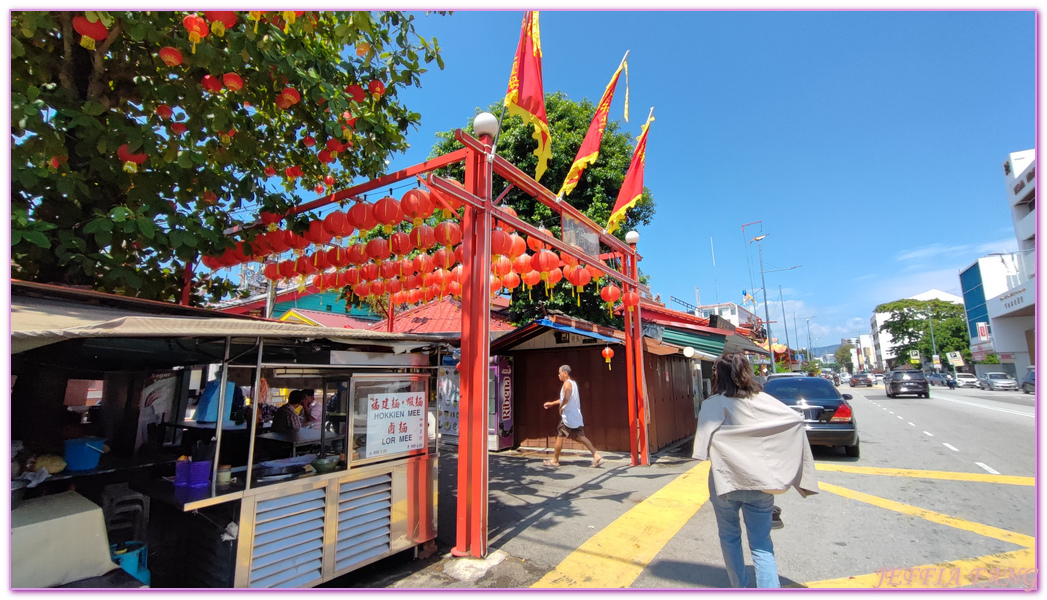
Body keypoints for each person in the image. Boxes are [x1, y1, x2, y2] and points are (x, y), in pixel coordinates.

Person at [693, 352, 819, 588]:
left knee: (729, 538)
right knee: (762, 545)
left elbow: (701, 446)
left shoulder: (713, 404)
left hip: (725, 482)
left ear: (718, 376)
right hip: (760, 482)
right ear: (745, 372)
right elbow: (793, 419)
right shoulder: (764, 400)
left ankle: (739, 588)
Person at [541, 365, 603, 468]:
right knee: (580, 436)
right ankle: (596, 455)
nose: (558, 375)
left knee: (560, 436)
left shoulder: (567, 384)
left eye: (560, 373)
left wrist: (560, 407)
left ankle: (555, 460)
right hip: (576, 415)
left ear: (565, 373)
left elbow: (567, 398)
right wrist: (552, 403)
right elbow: (564, 398)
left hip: (568, 416)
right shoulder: (573, 384)